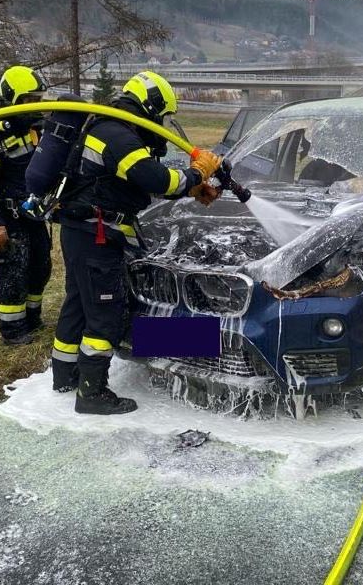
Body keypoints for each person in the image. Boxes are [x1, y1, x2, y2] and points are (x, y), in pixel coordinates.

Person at [27, 70, 221, 415]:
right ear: (151, 107)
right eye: (163, 117)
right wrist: (196, 173)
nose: (162, 124)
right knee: (105, 314)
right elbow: (155, 178)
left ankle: (65, 374)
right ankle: (92, 393)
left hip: (81, 231)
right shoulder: (116, 134)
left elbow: (130, 184)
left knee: (78, 303)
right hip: (96, 236)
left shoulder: (106, 129)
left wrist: (189, 189)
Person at [0, 65, 52, 346]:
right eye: (31, 100)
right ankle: (13, 331)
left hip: (34, 214)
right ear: (13, 99)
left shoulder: (33, 129)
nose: (36, 105)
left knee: (41, 267)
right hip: (8, 216)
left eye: (38, 100)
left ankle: (33, 319)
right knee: (12, 275)